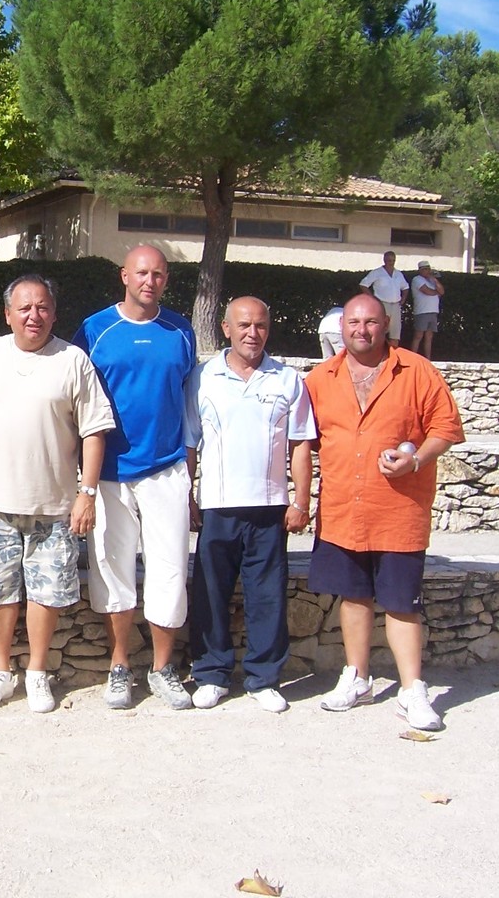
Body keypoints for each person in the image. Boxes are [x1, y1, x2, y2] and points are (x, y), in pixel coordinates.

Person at [0, 275, 114, 714]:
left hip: (55, 505)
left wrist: (87, 493)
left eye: (42, 307)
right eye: (24, 308)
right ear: (7, 314)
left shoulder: (73, 360)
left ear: (54, 313)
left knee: (47, 593)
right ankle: (0, 673)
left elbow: (94, 431)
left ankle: (38, 674)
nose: (33, 315)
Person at [304, 293, 464, 731]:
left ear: (386, 322)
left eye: (370, 322)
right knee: (353, 596)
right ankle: (357, 678)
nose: (362, 329)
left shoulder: (417, 370)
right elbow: (307, 441)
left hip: (398, 511)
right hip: (342, 510)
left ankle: (412, 689)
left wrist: (416, 459)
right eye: (354, 322)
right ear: (342, 328)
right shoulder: (320, 379)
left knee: (400, 604)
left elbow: (446, 427)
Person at [73, 246, 195, 710]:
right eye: (142, 272)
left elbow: (187, 406)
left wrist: (190, 477)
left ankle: (163, 670)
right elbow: (79, 400)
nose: (150, 280)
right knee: (111, 570)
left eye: (159, 274)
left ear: (166, 280)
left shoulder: (181, 331)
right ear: (124, 275)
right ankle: (120, 665)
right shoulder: (94, 329)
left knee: (170, 572)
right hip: (107, 475)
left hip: (166, 471)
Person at [184, 297, 316, 713]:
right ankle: (211, 674)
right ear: (226, 328)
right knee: (209, 594)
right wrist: (188, 496)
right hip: (217, 507)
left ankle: (263, 678)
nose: (252, 333)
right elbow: (190, 443)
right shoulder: (202, 378)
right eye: (243, 325)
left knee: (268, 596)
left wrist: (301, 500)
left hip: (269, 507)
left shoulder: (288, 380)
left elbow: (300, 445)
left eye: (260, 325)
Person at [359, 251, 408, 347]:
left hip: (396, 305)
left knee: (395, 333)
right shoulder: (377, 272)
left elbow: (405, 287)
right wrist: (373, 299)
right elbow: (363, 285)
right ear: (384, 260)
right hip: (382, 304)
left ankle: (394, 356)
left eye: (393, 260)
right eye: (389, 260)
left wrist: (403, 299)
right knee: (380, 331)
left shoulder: (398, 274)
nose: (391, 262)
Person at [409, 261, 444, 360]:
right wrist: (436, 292)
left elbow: (442, 291)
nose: (427, 271)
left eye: (428, 269)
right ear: (420, 270)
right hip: (422, 311)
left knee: (429, 337)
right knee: (418, 335)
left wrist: (434, 279)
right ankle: (412, 358)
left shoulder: (432, 280)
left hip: (433, 311)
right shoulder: (417, 279)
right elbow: (426, 291)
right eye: (425, 269)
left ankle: (428, 359)